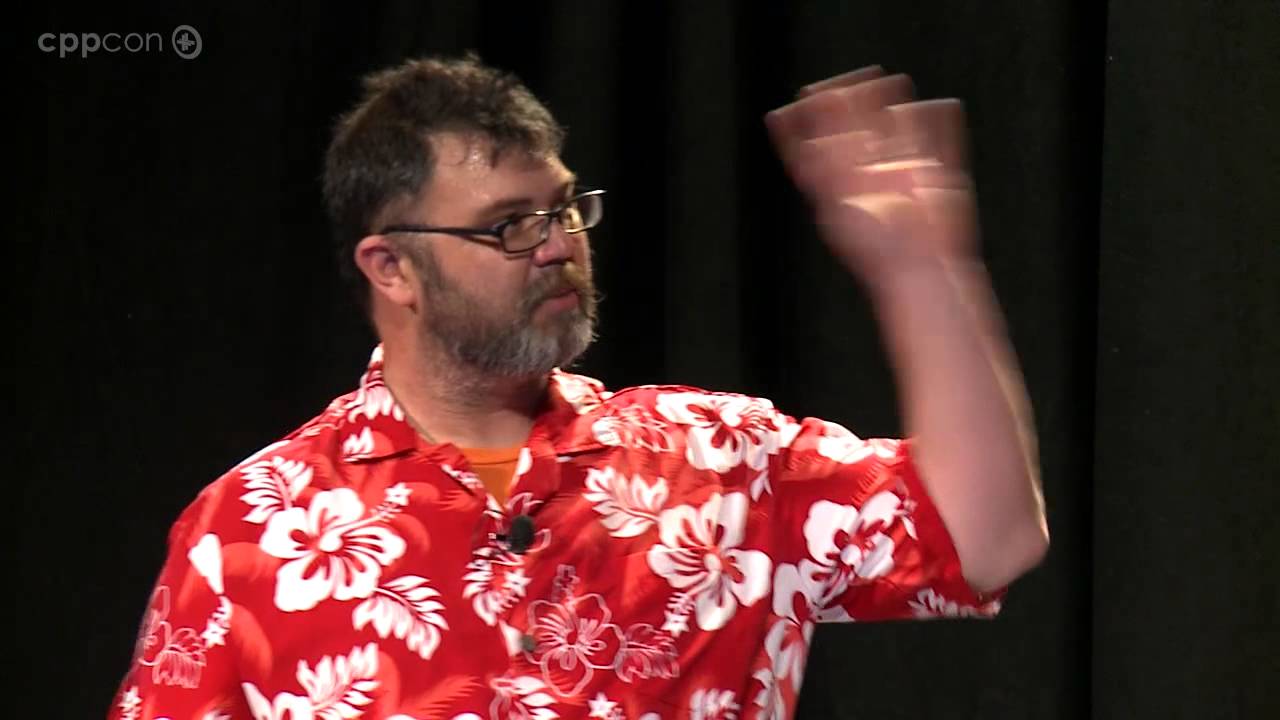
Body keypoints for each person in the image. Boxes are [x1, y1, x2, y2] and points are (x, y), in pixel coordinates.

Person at [107, 53, 1049, 720]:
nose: (558, 244)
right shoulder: (248, 534)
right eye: (508, 225)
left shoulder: (720, 459)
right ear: (391, 268)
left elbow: (987, 536)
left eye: (563, 208)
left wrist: (924, 270)